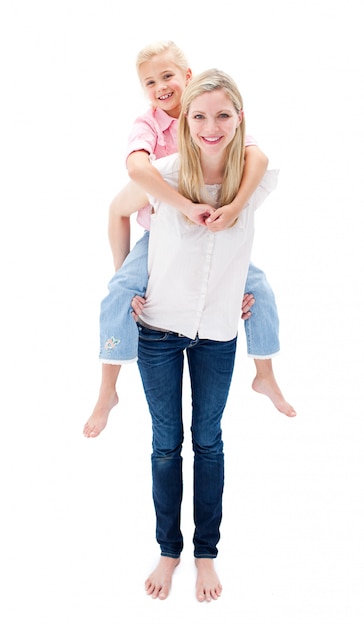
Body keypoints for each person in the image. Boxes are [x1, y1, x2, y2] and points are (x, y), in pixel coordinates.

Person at [110, 68, 280, 601]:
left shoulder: (253, 181)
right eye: (199, 115)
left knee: (208, 443)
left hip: (219, 334)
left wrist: (239, 293)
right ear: (184, 122)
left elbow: (259, 164)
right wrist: (125, 282)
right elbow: (115, 213)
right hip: (159, 331)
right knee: (167, 443)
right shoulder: (162, 174)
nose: (211, 126)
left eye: (223, 115)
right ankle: (169, 549)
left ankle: (206, 554)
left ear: (239, 120)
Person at [83, 41, 295, 439]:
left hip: (214, 240)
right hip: (163, 235)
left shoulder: (211, 112)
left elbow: (258, 158)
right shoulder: (148, 125)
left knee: (260, 289)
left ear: (187, 77)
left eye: (167, 76)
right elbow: (137, 172)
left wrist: (233, 209)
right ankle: (107, 390)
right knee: (118, 293)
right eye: (150, 81)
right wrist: (176, 211)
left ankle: (264, 374)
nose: (161, 86)